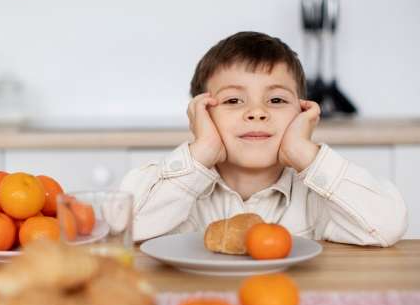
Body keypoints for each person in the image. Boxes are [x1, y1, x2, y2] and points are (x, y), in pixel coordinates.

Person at [120, 31, 407, 246]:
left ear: (302, 111)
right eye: (233, 100)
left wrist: (305, 153)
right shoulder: (172, 186)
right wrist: (202, 151)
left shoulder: (316, 198)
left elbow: (388, 224)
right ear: (201, 114)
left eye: (277, 99)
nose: (257, 112)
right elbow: (123, 229)